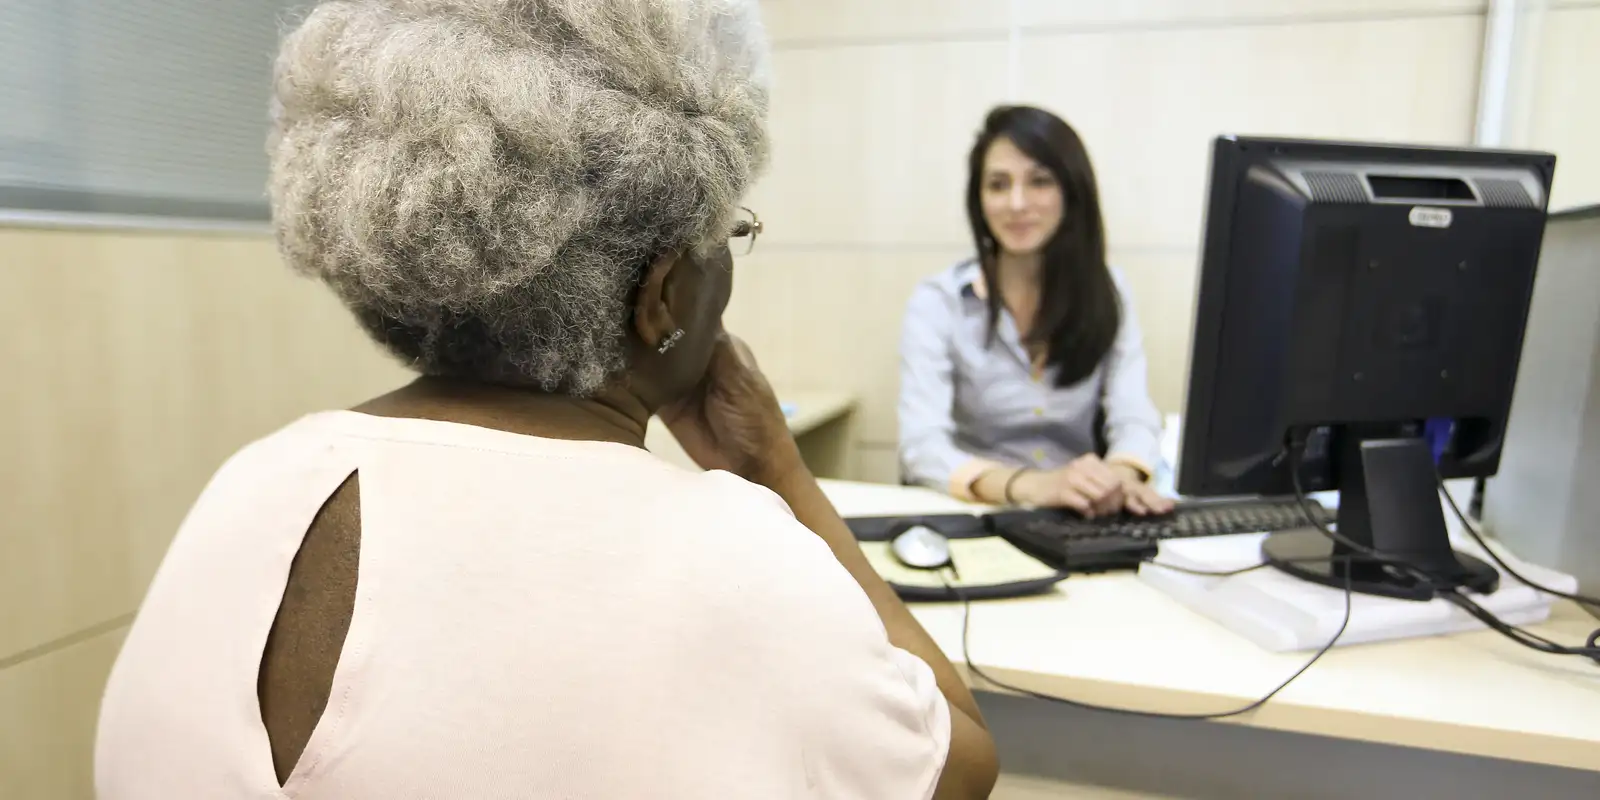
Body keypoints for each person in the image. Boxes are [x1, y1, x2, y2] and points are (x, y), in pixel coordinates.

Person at [94, 2, 998, 798]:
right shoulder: (739, 560)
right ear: (664, 295)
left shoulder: (248, 489)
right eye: (730, 232)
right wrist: (779, 474)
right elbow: (959, 766)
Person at [898, 105, 1174, 518]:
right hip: (981, 512)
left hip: (1081, 513)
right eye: (997, 184)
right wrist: (1033, 487)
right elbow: (921, 446)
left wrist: (1120, 476)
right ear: (979, 198)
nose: (1017, 203)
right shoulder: (939, 301)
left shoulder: (1108, 290)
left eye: (1040, 181)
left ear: (1071, 191)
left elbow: (1133, 415)